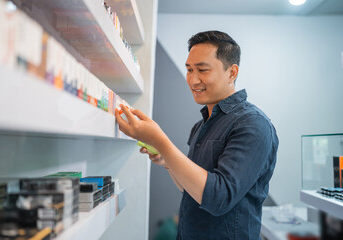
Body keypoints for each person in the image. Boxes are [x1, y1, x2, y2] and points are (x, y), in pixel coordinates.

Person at [115, 30, 279, 240]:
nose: (193, 80)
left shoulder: (253, 124)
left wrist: (161, 141)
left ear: (232, 72)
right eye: (189, 69)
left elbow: (218, 198)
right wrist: (168, 162)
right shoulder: (201, 125)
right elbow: (192, 189)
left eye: (202, 70)